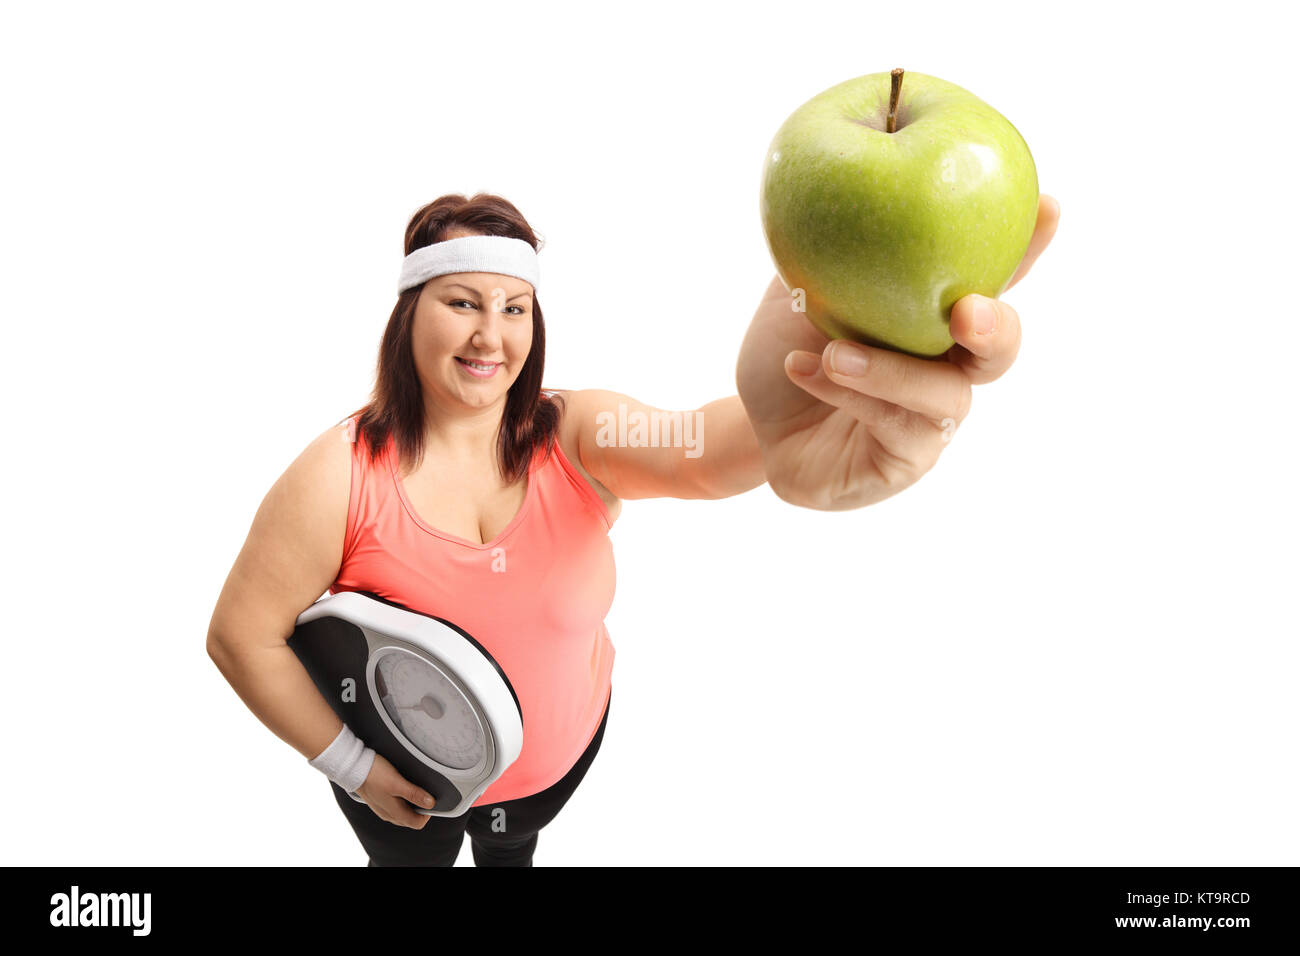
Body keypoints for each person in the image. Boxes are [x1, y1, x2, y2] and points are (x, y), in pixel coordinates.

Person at [206, 191, 1060, 866]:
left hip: (554, 765)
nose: (490, 335)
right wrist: (355, 770)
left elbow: (697, 447)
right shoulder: (339, 473)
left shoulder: (578, 433)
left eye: (515, 308)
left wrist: (786, 410)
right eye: (462, 302)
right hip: (403, 776)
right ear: (409, 315)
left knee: (514, 851)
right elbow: (243, 636)